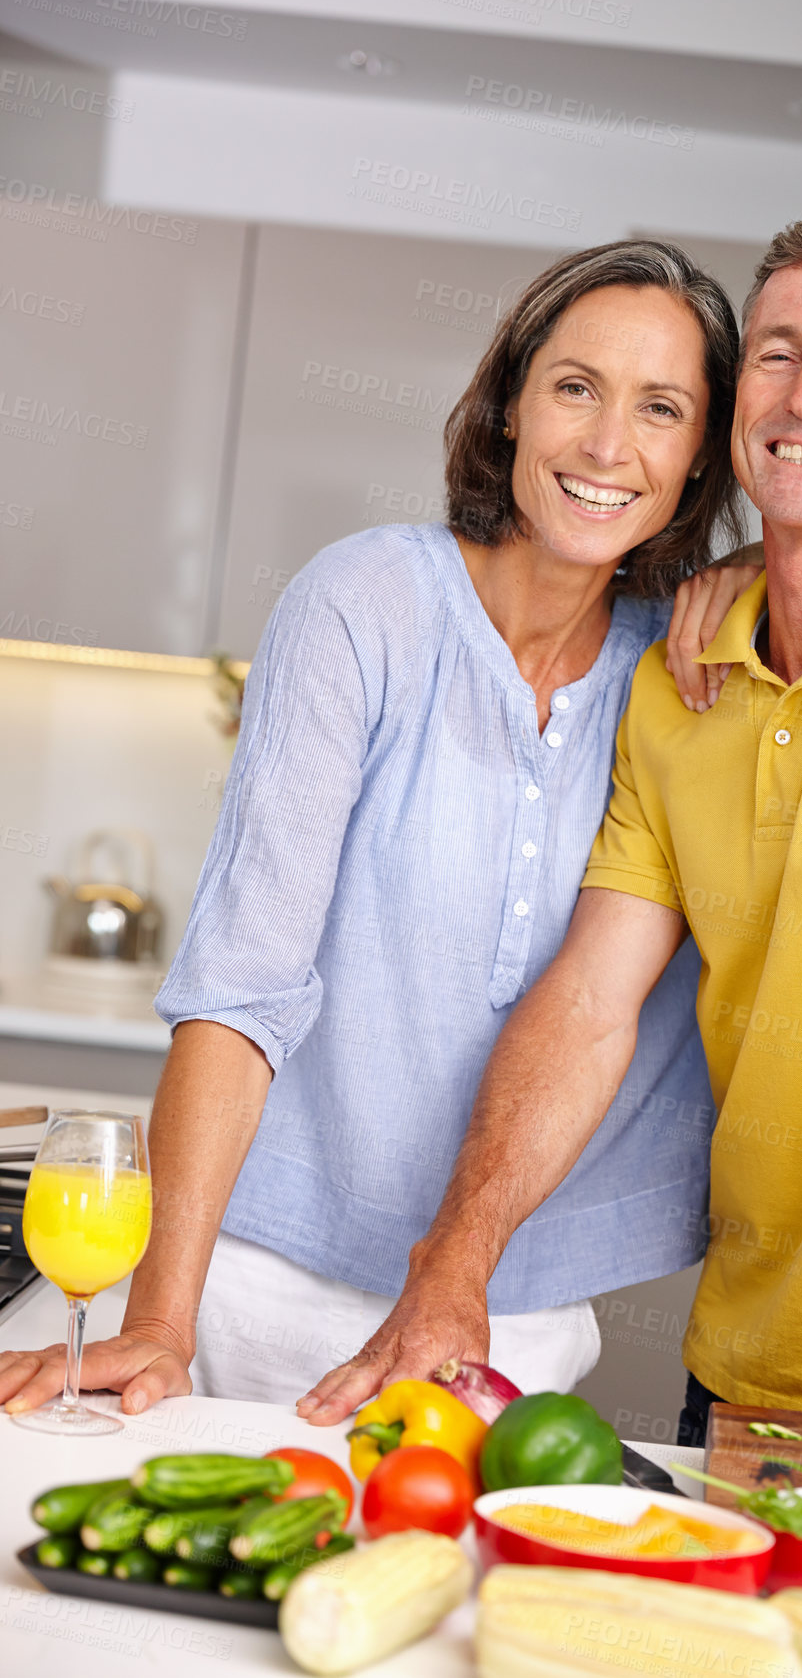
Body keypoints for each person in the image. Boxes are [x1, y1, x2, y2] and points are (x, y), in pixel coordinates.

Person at [300, 202, 802, 1444]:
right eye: (778, 353)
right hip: (736, 1376)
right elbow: (586, 1002)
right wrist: (450, 1273)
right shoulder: (684, 676)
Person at [0, 239, 760, 1418]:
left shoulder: (687, 672)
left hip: (507, 1310)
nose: (609, 446)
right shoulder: (366, 606)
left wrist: (756, 567)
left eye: (660, 409)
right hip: (240, 1275)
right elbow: (243, 985)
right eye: (574, 387)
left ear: (699, 456)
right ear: (509, 403)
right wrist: (161, 1321)